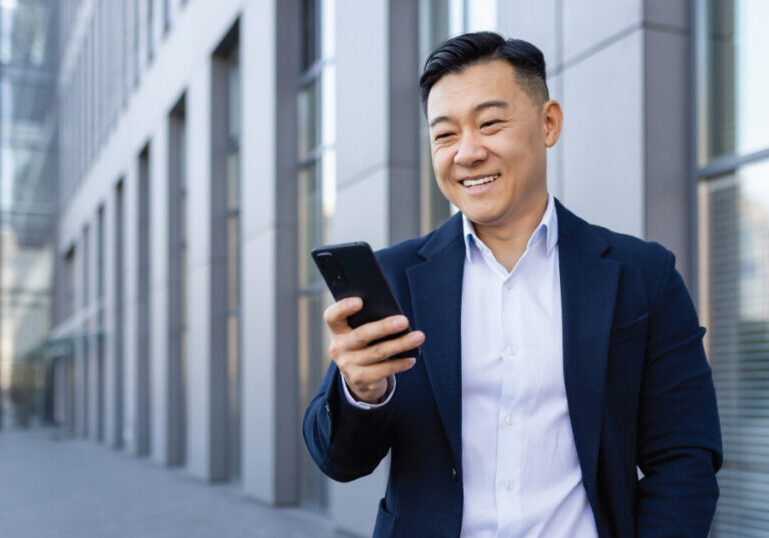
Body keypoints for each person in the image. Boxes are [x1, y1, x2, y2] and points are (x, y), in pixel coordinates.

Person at [303, 31, 722, 538]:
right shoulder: (396, 278)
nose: (467, 152)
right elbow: (340, 462)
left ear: (548, 123)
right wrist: (361, 392)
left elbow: (684, 457)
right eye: (445, 135)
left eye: (490, 123)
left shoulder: (642, 274)